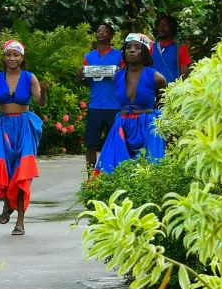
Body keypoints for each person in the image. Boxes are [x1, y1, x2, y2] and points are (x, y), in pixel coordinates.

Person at [0, 40, 44, 237]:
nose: (12, 58)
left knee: (22, 172)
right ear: (3, 58)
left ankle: (20, 221)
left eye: (16, 55)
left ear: (22, 58)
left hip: (24, 126)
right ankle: (7, 203)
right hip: (3, 125)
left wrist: (44, 93)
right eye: (8, 55)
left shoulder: (30, 78)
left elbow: (40, 101)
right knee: (0, 166)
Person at [96, 32, 167, 174]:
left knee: (149, 167)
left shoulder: (157, 78)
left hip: (147, 125)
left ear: (145, 53)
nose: (132, 50)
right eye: (128, 47)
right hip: (122, 125)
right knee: (115, 167)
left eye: (137, 47)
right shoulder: (116, 77)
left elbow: (163, 103)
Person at [76, 23, 122, 173]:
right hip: (95, 105)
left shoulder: (119, 56)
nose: (101, 33)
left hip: (114, 105)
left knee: (114, 143)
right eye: (98, 30)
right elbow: (84, 82)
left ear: (111, 36)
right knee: (90, 144)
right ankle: (91, 176)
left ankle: (113, 174)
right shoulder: (89, 57)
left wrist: (118, 74)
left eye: (105, 31)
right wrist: (79, 75)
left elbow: (126, 77)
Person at [153, 14, 191, 83]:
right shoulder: (151, 47)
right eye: (160, 25)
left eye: (164, 25)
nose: (161, 27)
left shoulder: (180, 49)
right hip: (151, 91)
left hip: (171, 91)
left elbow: (184, 75)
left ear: (172, 28)